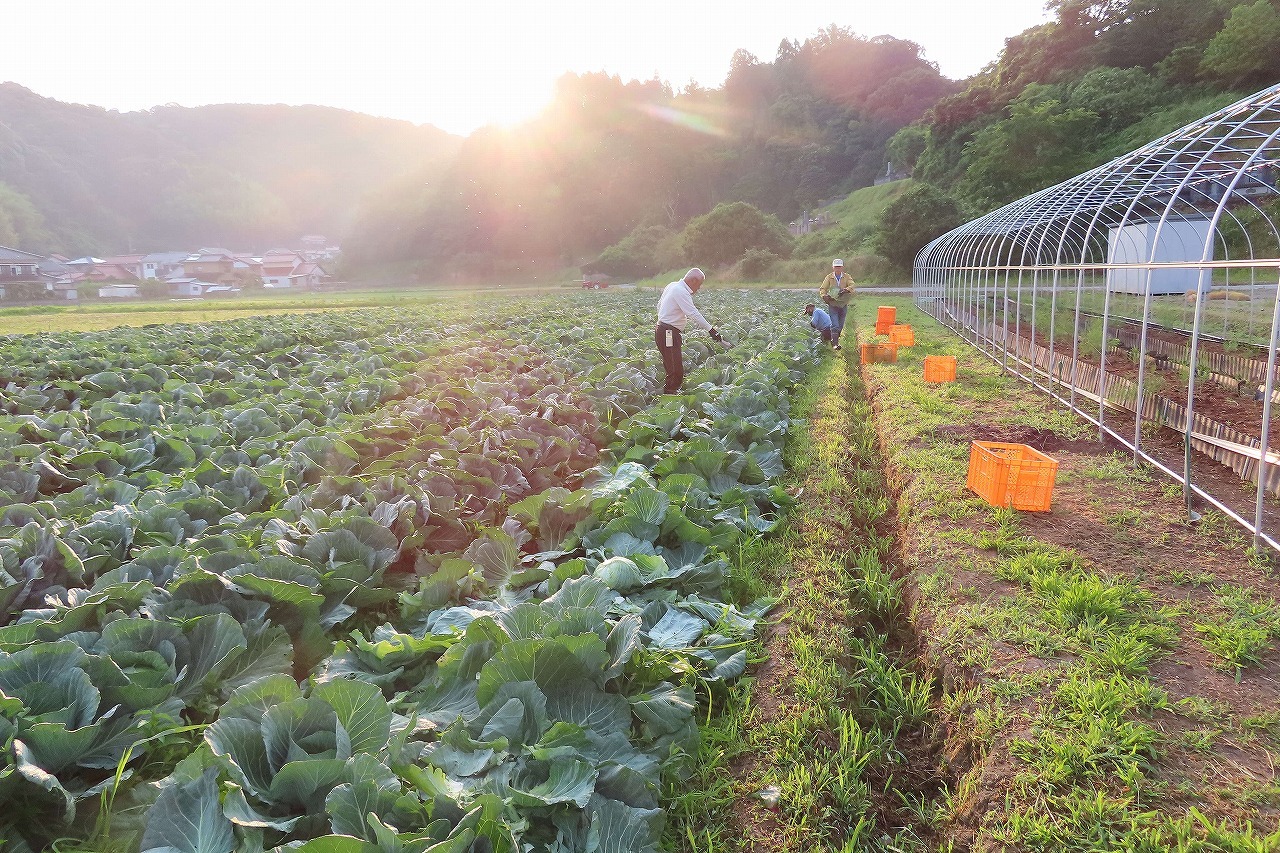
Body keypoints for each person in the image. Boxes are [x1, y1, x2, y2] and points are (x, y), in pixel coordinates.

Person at [655, 267, 723, 394]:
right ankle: (669, 396)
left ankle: (670, 394)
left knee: (672, 366)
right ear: (692, 280)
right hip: (668, 333)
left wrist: (667, 320)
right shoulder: (680, 291)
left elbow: (659, 305)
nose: (699, 288)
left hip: (664, 330)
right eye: (699, 284)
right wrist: (711, 330)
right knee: (675, 370)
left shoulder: (672, 285)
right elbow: (693, 313)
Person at [818, 258, 855, 350]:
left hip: (843, 304)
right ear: (833, 267)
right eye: (836, 267)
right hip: (833, 304)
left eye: (839, 267)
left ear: (842, 267)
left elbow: (852, 285)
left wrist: (846, 289)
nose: (837, 269)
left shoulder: (846, 277)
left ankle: (834, 339)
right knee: (835, 324)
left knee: (840, 325)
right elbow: (823, 288)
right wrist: (824, 296)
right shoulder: (829, 277)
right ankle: (835, 344)